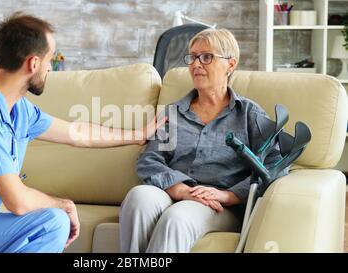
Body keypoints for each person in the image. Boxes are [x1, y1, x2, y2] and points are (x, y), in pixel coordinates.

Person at [0, 13, 163, 253]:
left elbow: (77, 133)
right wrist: (64, 204)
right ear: (33, 63)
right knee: (53, 221)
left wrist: (138, 134)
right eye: (50, 59)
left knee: (53, 221)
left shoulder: (17, 108)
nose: (50, 68)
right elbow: (18, 201)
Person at [119, 28, 288, 253]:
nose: (196, 64)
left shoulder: (249, 114)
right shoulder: (174, 113)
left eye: (206, 57)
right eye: (192, 57)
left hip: (218, 204)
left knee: (177, 218)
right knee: (138, 198)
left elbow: (275, 166)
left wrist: (230, 195)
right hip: (174, 191)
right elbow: (150, 159)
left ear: (230, 64)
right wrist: (180, 189)